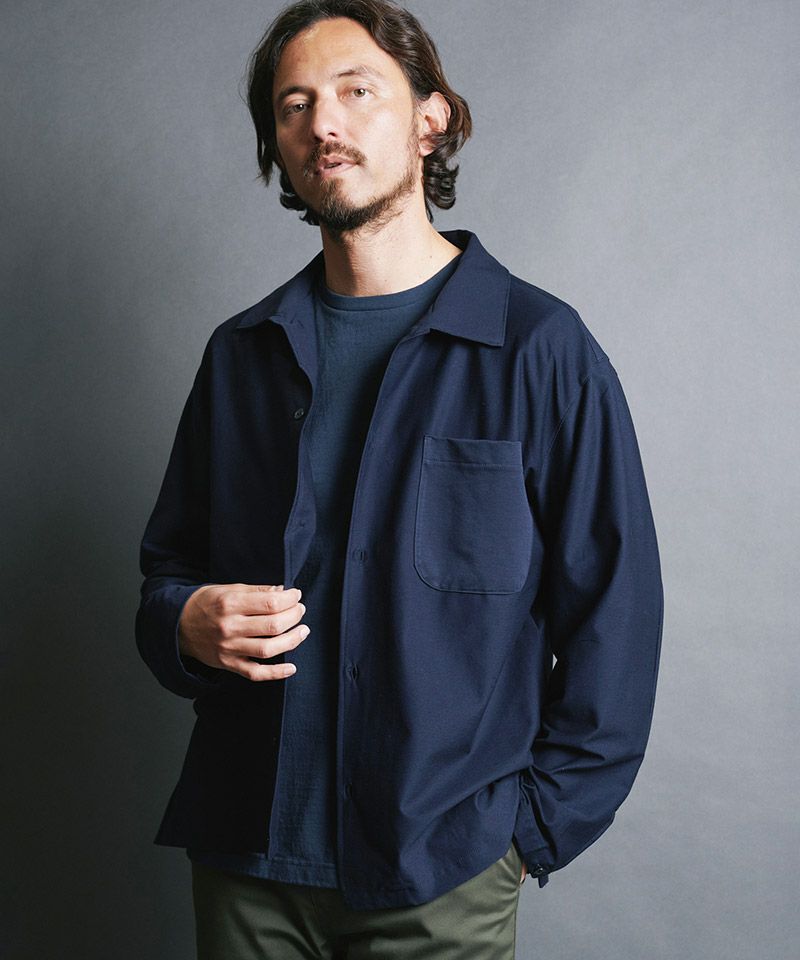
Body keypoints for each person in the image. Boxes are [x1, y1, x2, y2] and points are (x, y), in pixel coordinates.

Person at [134, 1, 664, 957]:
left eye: (356, 91)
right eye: (294, 104)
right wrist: (183, 622)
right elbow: (167, 575)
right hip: (244, 860)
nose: (322, 124)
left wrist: (528, 836)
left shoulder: (540, 351)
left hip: (443, 874)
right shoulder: (241, 356)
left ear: (431, 118)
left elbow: (614, 618)